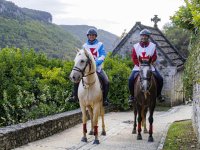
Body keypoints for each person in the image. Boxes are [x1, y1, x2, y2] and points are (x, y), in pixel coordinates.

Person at [69, 28, 109, 106]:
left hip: (98, 68)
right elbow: (82, 57)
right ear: (88, 36)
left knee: (106, 82)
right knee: (77, 79)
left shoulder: (100, 44)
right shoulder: (85, 46)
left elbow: (103, 55)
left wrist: (96, 64)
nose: (91, 36)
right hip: (87, 69)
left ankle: (104, 99)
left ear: (95, 36)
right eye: (90, 35)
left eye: (93, 35)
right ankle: (75, 96)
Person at [128, 29, 164, 104]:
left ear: (148, 37)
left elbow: (154, 56)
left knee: (160, 79)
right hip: (138, 67)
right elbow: (134, 57)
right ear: (140, 36)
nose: (143, 37)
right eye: (142, 36)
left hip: (149, 66)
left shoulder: (153, 46)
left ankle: (159, 95)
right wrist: (140, 65)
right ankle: (132, 96)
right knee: (130, 79)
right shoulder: (136, 46)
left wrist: (150, 62)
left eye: (145, 36)